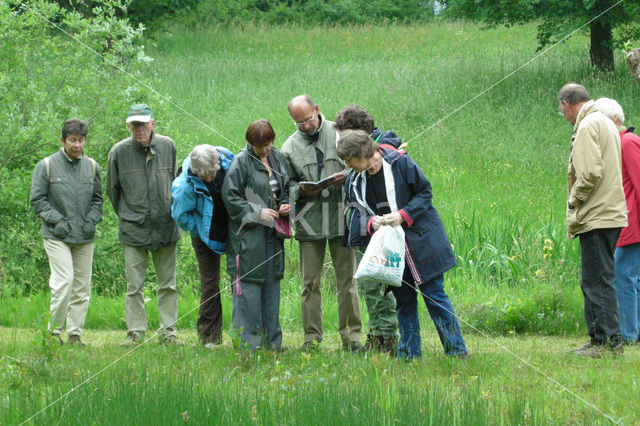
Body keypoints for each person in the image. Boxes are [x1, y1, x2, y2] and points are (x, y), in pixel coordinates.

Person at [337, 129, 469, 360]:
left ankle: (457, 352)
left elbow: (424, 193)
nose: (348, 166)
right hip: (393, 251)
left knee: (435, 297)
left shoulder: (400, 163)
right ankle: (409, 355)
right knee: (404, 302)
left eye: (350, 160)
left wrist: (403, 214)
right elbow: (356, 214)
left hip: (422, 242)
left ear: (362, 154)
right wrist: (372, 221)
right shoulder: (355, 180)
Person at [281, 95, 362, 352]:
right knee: (310, 284)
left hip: (342, 218)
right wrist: (303, 192)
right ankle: (311, 339)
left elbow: (361, 165)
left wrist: (346, 177)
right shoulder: (289, 148)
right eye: (299, 123)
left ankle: (351, 338)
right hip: (310, 222)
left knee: (347, 281)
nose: (305, 126)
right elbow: (286, 188)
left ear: (317, 110)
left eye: (307, 120)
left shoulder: (341, 135)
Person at [558, 84, 627, 357]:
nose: (563, 115)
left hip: (597, 214)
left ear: (566, 104)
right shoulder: (606, 122)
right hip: (609, 212)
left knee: (597, 281)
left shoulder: (587, 126)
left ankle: (608, 343)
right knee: (599, 278)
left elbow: (589, 174)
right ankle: (600, 338)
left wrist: (574, 201)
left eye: (561, 109)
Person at [106, 104, 183, 346]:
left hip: (166, 227)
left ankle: (169, 332)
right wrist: (130, 214)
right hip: (133, 228)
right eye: (135, 125)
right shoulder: (118, 152)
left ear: (153, 123)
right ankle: (135, 333)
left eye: (144, 124)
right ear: (129, 125)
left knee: (168, 284)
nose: (139, 129)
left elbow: (175, 183)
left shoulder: (167, 146)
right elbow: (112, 191)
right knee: (134, 286)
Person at [30, 118, 102, 347]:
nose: (77, 145)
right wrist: (57, 222)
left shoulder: (92, 166)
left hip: (84, 236)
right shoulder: (46, 166)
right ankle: (52, 334)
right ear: (62, 141)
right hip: (56, 235)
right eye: (72, 140)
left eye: (81, 140)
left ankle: (74, 335)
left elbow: (98, 200)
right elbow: (38, 201)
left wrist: (92, 220)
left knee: (82, 286)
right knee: (64, 282)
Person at [333, 105, 399, 355]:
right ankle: (376, 336)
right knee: (369, 287)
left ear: (364, 132)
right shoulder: (359, 161)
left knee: (382, 287)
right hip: (364, 228)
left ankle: (388, 341)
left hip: (382, 231)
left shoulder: (386, 152)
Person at [222, 119, 290, 350]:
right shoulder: (240, 163)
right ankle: (248, 346)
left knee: (272, 287)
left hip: (273, 236)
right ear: (250, 143)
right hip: (248, 239)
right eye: (259, 146)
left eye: (268, 144)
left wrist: (286, 204)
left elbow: (288, 187)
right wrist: (257, 212)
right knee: (248, 289)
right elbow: (231, 199)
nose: (264, 149)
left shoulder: (278, 158)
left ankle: (273, 344)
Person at [171, 144, 234, 349]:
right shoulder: (183, 185)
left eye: (212, 174)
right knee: (210, 284)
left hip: (233, 230)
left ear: (218, 164)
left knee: (240, 280)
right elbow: (180, 215)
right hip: (205, 236)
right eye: (203, 177)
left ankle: (245, 333)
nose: (209, 180)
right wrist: (199, 230)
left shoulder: (228, 160)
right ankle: (209, 338)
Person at [594, 97, 640, 345]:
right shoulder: (618, 143)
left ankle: (629, 334)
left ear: (613, 120)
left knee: (623, 277)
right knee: (631, 278)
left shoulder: (628, 142)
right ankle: (634, 331)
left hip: (632, 222)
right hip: (626, 221)